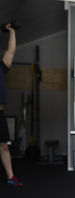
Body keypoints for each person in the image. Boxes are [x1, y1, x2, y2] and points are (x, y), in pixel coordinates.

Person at [0, 24, 22, 187]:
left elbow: (11, 51)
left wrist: (12, 31)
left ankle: (11, 177)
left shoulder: (1, 67)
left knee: (4, 146)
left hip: (0, 113)